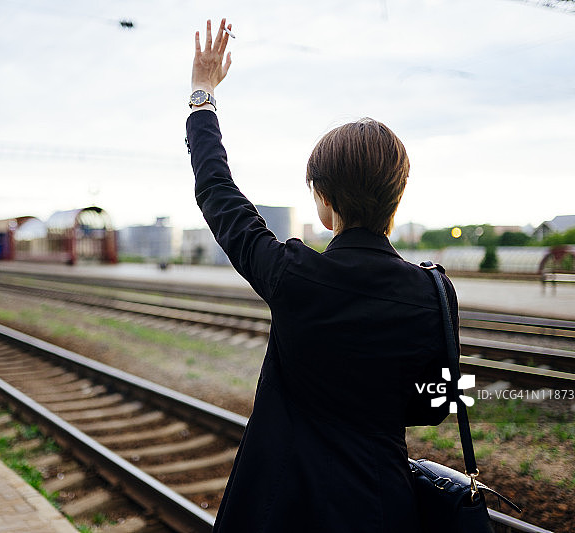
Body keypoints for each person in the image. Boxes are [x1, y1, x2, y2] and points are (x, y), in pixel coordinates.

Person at [186, 19, 455, 532]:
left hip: (286, 505)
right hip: (383, 505)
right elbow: (436, 405)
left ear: (324, 201)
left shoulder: (294, 275)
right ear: (396, 199)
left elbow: (216, 190)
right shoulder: (434, 293)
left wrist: (204, 95)